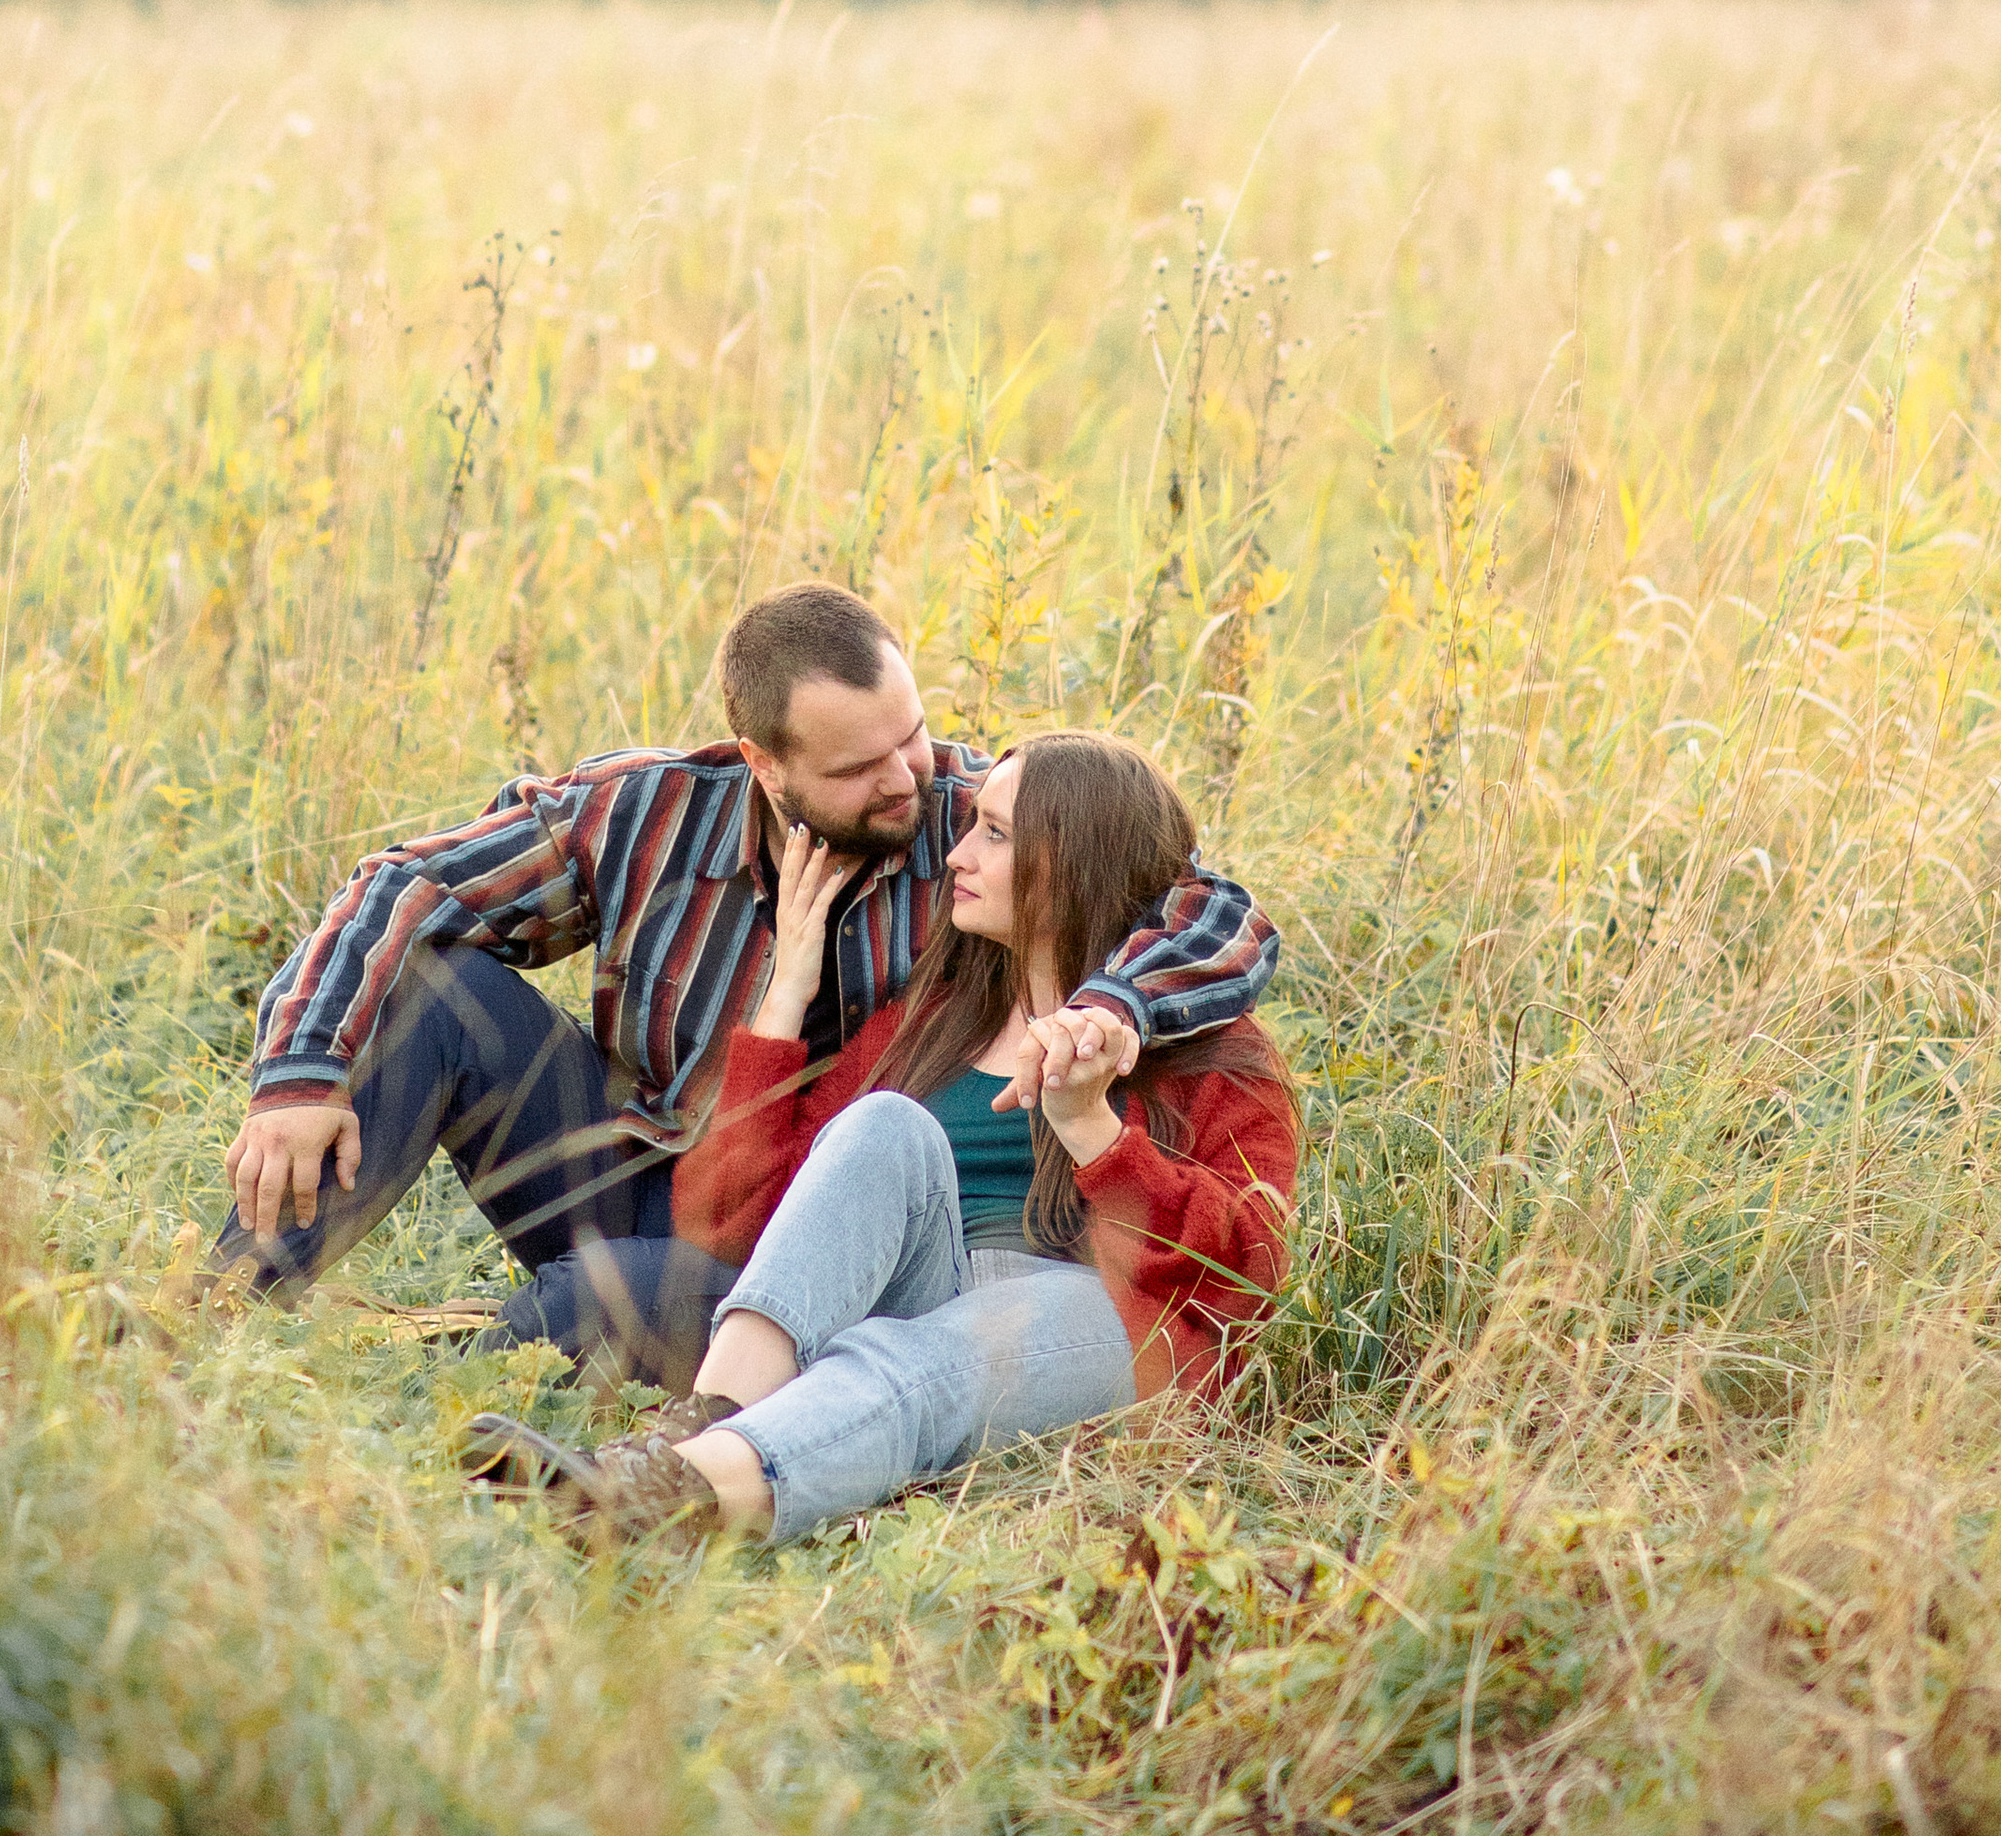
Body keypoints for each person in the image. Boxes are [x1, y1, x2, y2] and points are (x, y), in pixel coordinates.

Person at [217, 584, 1279, 1382]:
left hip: (843, 1234)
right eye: (858, 767)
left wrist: (1113, 1008)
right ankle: (221, 1314)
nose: (905, 776)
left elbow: (1212, 908)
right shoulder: (641, 815)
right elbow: (405, 884)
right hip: (646, 1176)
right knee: (436, 993)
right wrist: (298, 1078)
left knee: (614, 1299)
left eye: (909, 734)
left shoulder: (965, 818)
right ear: (764, 765)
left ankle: (451, 1367)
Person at [461, 732, 1297, 1544]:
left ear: (1077, 863)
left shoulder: (1214, 1052)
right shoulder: (938, 1018)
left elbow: (1247, 1273)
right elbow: (723, 1227)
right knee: (885, 1122)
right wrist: (786, 991)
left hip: (1098, 1319)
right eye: (972, 825)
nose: (960, 856)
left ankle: (680, 1500)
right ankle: (687, 1439)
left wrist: (1091, 1130)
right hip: (930, 1283)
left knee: (909, 1358)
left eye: (996, 836)